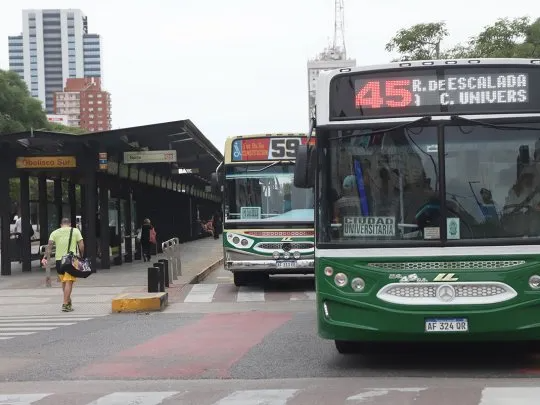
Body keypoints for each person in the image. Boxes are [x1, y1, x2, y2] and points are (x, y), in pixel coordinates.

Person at [41, 218, 84, 312]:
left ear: (61, 224)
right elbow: (81, 244)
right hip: (70, 260)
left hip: (59, 261)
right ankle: (65, 303)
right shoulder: (75, 231)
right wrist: (82, 255)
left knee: (64, 282)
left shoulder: (54, 232)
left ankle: (68, 301)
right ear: (70, 224)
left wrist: (44, 257)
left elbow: (49, 247)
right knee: (69, 282)